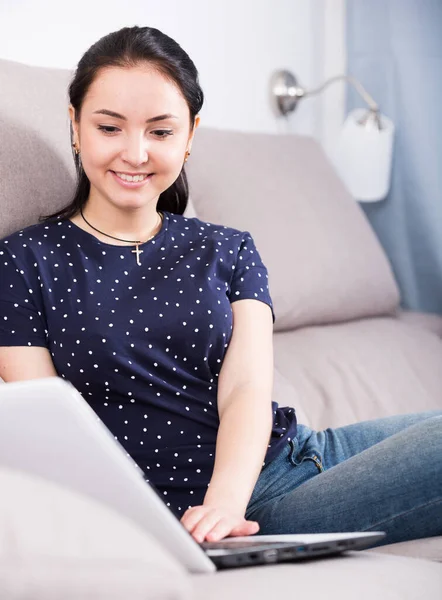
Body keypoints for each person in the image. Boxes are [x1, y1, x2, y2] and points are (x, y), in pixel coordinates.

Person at [0, 26, 440, 549]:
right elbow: (49, 427)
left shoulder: (229, 248)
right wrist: (215, 513)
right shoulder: (25, 260)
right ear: (75, 126)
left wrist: (226, 502)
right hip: (246, 507)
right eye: (110, 128)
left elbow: (248, 386)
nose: (135, 153)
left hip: (288, 461)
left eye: (161, 132)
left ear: (189, 136)